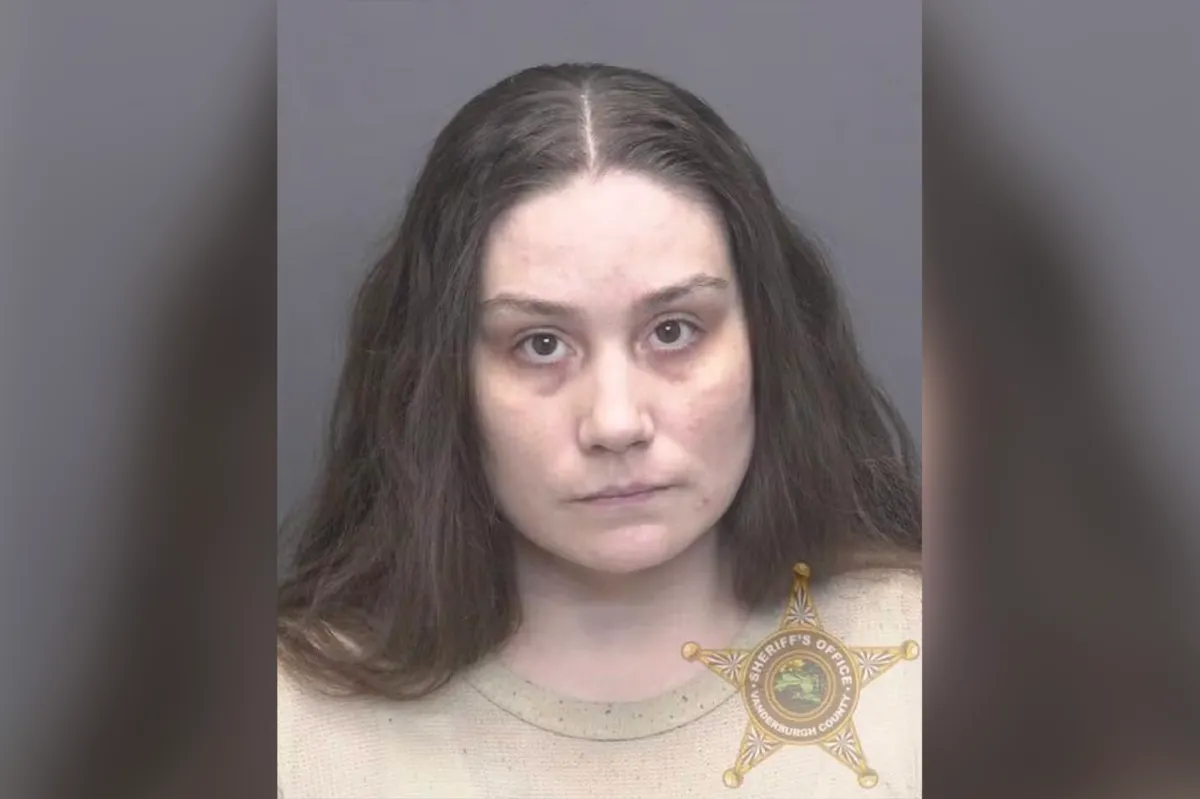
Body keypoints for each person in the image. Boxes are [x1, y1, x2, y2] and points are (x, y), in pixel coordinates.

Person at [277, 62, 921, 799]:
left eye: (673, 330)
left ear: (769, 343)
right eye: (541, 344)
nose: (616, 423)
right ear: (441, 380)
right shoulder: (285, 729)